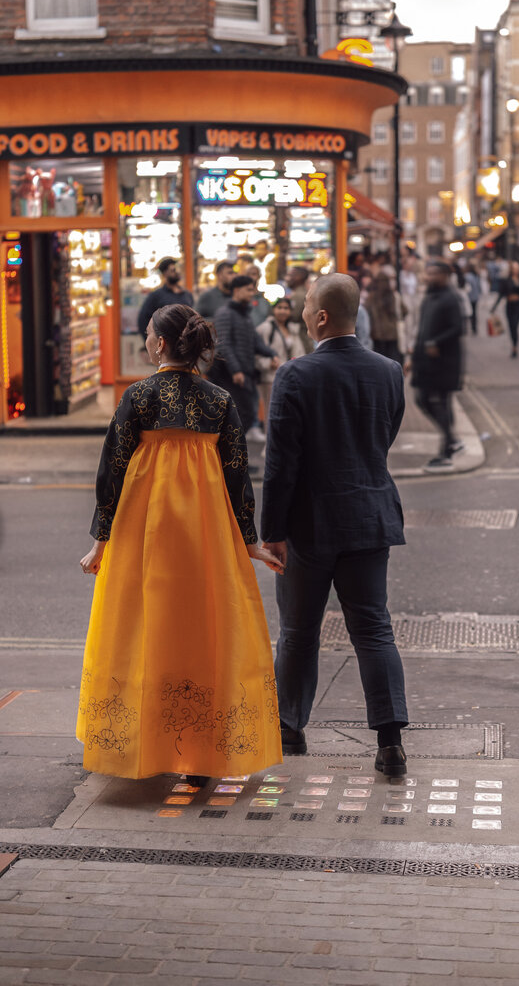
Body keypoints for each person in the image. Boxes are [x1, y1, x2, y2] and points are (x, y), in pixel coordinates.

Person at [78, 304, 284, 784]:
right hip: (206, 532)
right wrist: (249, 542)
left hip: (144, 530)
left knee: (142, 628)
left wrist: (100, 542)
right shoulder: (218, 400)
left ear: (160, 344)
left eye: (149, 333)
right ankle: (200, 754)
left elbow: (111, 471)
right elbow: (238, 475)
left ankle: (144, 747)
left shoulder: (139, 395)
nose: (147, 339)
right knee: (202, 629)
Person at [260, 273, 409, 777]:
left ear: (322, 316)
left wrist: (271, 530)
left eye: (305, 305)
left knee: (298, 631)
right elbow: (383, 438)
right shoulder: (389, 371)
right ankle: (390, 743)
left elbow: (280, 463)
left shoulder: (295, 375)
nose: (301, 312)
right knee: (373, 630)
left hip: (309, 526)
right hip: (369, 517)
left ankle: (289, 728)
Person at [411, 260, 465, 472]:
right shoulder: (429, 297)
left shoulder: (451, 298)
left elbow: (458, 328)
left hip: (444, 362)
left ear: (445, 276)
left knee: (439, 401)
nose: (430, 277)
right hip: (425, 360)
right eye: (428, 273)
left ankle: (447, 449)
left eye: (434, 274)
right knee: (422, 399)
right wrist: (413, 355)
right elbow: (422, 328)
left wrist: (436, 342)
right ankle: (451, 441)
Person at [211, 275, 279, 441]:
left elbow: (255, 341)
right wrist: (236, 370)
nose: (252, 293)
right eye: (248, 289)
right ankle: (229, 458)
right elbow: (224, 345)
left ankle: (234, 459)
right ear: (237, 290)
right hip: (230, 375)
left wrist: (272, 354)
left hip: (245, 373)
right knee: (241, 415)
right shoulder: (224, 313)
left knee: (244, 416)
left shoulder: (245, 314)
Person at [257, 298, 305, 426]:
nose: (283, 311)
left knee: (286, 413)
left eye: (286, 308)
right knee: (270, 413)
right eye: (279, 308)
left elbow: (299, 351)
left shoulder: (292, 329)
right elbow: (257, 353)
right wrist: (268, 363)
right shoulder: (265, 328)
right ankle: (269, 444)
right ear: (273, 310)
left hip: (289, 376)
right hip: (270, 377)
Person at [136, 258, 193, 339]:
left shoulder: (186, 295)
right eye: (173, 270)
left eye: (177, 269)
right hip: (167, 342)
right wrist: (151, 343)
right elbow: (143, 320)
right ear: (165, 273)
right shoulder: (156, 296)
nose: (177, 272)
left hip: (186, 342)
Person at [491, 260, 519, 358]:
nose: (515, 270)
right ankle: (514, 345)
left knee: (515, 325)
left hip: (518, 306)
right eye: (514, 268)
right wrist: (494, 307)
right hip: (509, 305)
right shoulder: (506, 281)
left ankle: (515, 346)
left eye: (517, 269)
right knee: (511, 327)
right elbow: (501, 295)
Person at [366, 271, 407, 364]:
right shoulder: (394, 296)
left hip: (377, 335)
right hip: (392, 335)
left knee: (379, 363)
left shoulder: (371, 297)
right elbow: (404, 311)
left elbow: (366, 314)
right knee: (392, 363)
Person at [285, 265, 313, 352]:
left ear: (298, 277)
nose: (286, 278)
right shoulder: (301, 293)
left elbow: (294, 317)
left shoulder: (299, 296)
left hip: (301, 340)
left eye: (290, 275)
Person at [464, 262, 482, 335]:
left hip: (473, 297)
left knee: (472, 313)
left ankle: (473, 328)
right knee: (471, 313)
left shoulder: (475, 276)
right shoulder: (469, 276)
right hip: (471, 297)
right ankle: (472, 328)